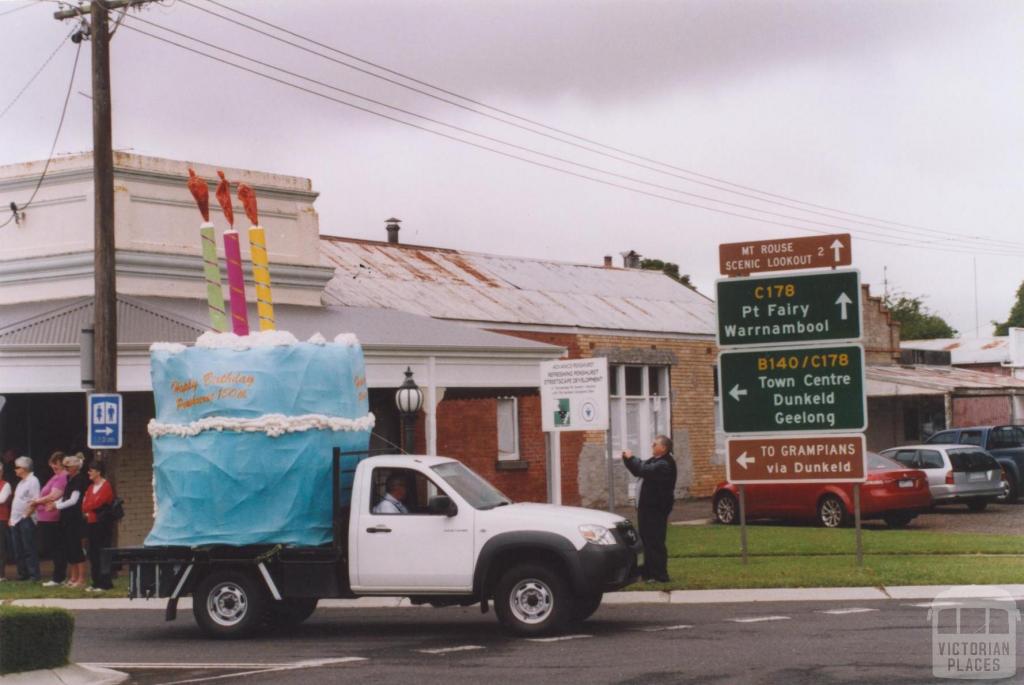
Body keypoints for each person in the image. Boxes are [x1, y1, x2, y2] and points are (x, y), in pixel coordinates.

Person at [621, 435, 677, 583]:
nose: (652, 446)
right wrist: (628, 459)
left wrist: (630, 457)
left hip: (656, 509)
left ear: (663, 448)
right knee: (646, 540)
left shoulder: (665, 464)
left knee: (655, 542)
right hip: (647, 509)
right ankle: (648, 573)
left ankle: (659, 575)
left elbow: (642, 469)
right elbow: (639, 467)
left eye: (655, 444)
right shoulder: (656, 461)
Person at [32, 452, 68, 587]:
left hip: (52, 517)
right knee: (51, 547)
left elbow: (54, 495)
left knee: (56, 547)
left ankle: (59, 577)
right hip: (44, 516)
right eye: (52, 466)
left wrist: (36, 501)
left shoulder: (62, 477)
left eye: (56, 466)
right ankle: (58, 576)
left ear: (62, 464)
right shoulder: (56, 476)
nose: (54, 469)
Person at [55, 453, 88, 588]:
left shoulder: (80, 479)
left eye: (69, 466)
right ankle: (73, 577)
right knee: (69, 548)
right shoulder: (69, 478)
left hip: (75, 518)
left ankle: (81, 578)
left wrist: (56, 506)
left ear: (76, 467)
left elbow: (74, 500)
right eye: (65, 466)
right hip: (66, 518)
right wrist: (56, 503)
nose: (66, 468)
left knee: (76, 548)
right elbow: (65, 497)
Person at [82, 461, 115, 591]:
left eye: (91, 470)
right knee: (93, 553)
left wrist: (89, 506)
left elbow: (98, 503)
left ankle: (105, 582)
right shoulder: (90, 488)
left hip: (102, 524)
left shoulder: (106, 486)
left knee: (103, 552)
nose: (89, 473)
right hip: (91, 523)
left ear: (98, 472)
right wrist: (89, 506)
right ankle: (96, 581)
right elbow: (84, 505)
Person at [9, 457, 41, 582]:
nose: (15, 470)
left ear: (25, 468)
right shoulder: (21, 483)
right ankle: (23, 573)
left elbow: (35, 500)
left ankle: (34, 575)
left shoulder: (33, 481)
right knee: (18, 548)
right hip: (16, 519)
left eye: (17, 467)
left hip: (26, 518)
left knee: (29, 547)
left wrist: (26, 515)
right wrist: (12, 518)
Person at [0, 469, 10, 582]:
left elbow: (1, 499)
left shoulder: (6, 485)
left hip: (1, 519)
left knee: (1, 548)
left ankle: (1, 575)